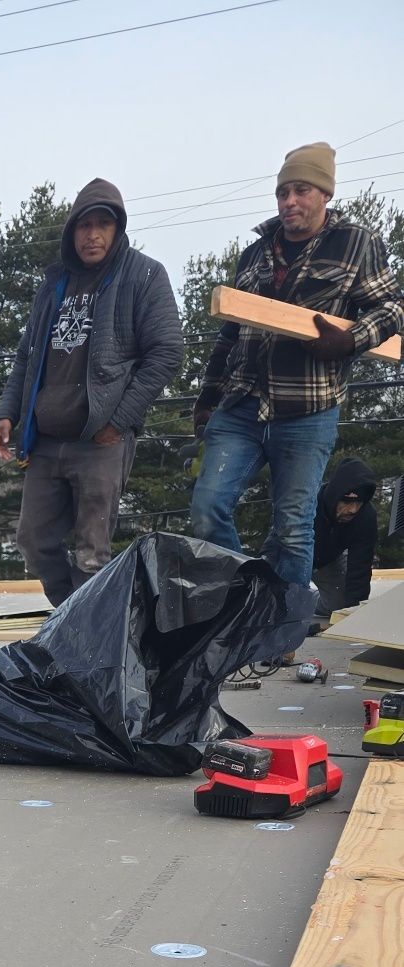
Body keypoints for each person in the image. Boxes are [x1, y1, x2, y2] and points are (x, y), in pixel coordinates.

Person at [190, 143, 404, 589]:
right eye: (283, 192)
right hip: (242, 404)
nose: (290, 201)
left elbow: (393, 309)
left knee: (292, 526)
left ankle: (282, 626)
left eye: (301, 190)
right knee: (208, 508)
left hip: (308, 408)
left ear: (324, 193)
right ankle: (248, 599)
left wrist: (350, 340)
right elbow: (230, 332)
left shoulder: (357, 244)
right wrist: (208, 397)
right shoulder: (254, 253)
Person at [0, 178, 182, 606]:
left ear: (117, 230)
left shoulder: (143, 274)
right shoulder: (56, 281)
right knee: (33, 541)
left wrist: (120, 421)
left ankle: (84, 639)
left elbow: (167, 353)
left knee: (91, 552)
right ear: (71, 231)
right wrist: (7, 413)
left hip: (99, 438)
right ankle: (72, 620)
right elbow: (27, 354)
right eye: (84, 225)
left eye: (103, 224)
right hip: (45, 438)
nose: (92, 234)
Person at [310, 456, 376, 621]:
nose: (353, 509)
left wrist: (354, 614)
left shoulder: (366, 516)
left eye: (359, 503)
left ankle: (312, 600)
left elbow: (360, 566)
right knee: (280, 604)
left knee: (339, 608)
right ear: (334, 495)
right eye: (347, 502)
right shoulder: (309, 502)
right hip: (296, 553)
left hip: (329, 560)